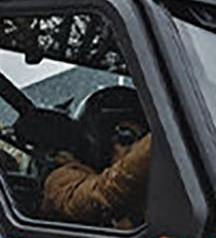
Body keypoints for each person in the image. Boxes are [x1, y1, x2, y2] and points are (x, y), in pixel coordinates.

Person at [43, 87, 151, 227]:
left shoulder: (143, 186)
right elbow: (102, 195)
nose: (136, 149)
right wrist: (162, 135)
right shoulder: (60, 180)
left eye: (142, 140)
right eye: (127, 138)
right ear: (100, 142)